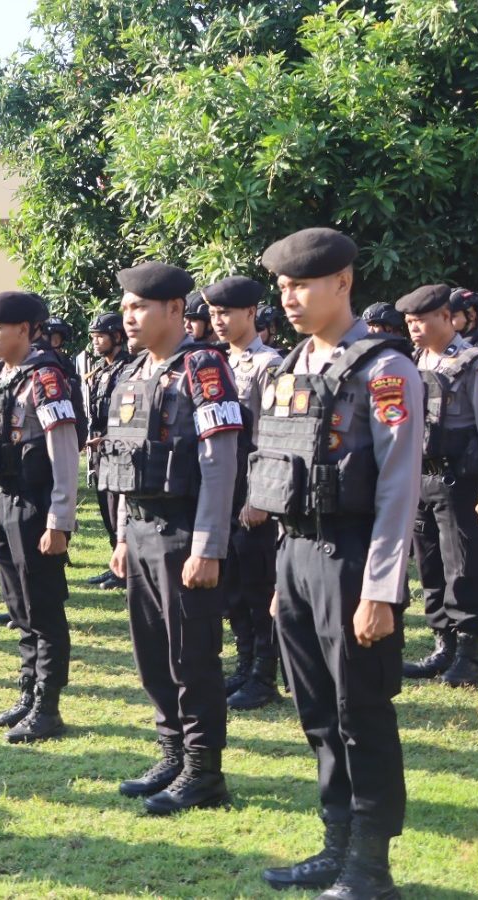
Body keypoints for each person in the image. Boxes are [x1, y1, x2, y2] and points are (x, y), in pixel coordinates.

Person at [250, 228, 418, 897]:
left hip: (353, 563)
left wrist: (380, 589)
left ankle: (371, 866)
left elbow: (399, 487)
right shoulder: (291, 366)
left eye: (304, 285)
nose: (290, 298)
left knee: (361, 713)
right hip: (296, 558)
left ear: (343, 281)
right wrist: (280, 579)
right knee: (318, 712)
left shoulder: (385, 369)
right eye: (284, 287)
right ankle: (335, 843)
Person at [103, 263, 242, 815]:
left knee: (192, 655)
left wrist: (208, 544)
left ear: (174, 310)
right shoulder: (134, 371)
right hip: (139, 527)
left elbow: (220, 460)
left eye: (139, 307)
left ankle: (205, 771)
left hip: (184, 531)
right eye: (126, 306)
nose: (127, 316)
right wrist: (119, 535)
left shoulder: (203, 368)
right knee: (152, 651)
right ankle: (172, 753)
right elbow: (121, 461)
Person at [0, 292, 79, 741]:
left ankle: (48, 708)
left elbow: (64, 452)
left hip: (37, 505)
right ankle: (28, 693)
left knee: (44, 609)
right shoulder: (2, 375)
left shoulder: (45, 378)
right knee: (19, 608)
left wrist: (60, 520)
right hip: (7, 499)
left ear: (25, 329)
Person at [398, 285, 478, 689]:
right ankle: (442, 646)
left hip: (460, 481)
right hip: (421, 478)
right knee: (430, 566)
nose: (415, 329)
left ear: (447, 319)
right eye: (410, 322)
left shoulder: (475, 363)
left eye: (422, 321)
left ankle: (468, 656)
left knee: (463, 567)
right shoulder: (414, 360)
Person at [207, 277, 285, 711]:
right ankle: (244, 662)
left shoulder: (269, 365)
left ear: (251, 313)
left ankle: (263, 674)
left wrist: (260, 498)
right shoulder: (216, 362)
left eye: (227, 313)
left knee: (259, 585)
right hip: (225, 485)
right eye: (214, 314)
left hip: (256, 488)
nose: (219, 321)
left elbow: (273, 436)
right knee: (233, 585)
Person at [83, 312, 136, 590]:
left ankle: (125, 569)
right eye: (93, 337)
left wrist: (107, 438)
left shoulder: (129, 368)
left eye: (100, 336)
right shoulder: (101, 370)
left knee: (119, 510)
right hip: (100, 449)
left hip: (119, 448)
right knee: (105, 508)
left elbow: (128, 415)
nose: (95, 342)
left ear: (117, 336)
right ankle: (114, 564)